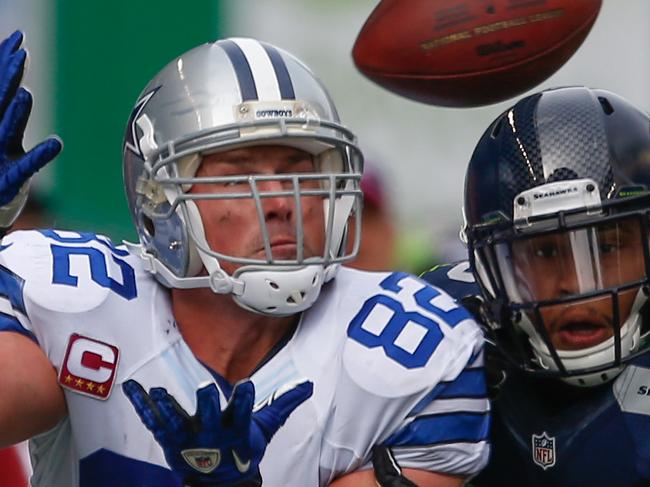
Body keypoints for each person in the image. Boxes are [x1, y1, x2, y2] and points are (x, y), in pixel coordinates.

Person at [0, 30, 489, 486]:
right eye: (238, 177)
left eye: (301, 173)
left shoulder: (406, 351)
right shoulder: (75, 301)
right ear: (161, 202)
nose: (280, 202)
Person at [374, 86, 650, 486]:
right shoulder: (442, 332)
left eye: (605, 247)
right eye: (543, 254)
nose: (573, 285)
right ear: (490, 270)